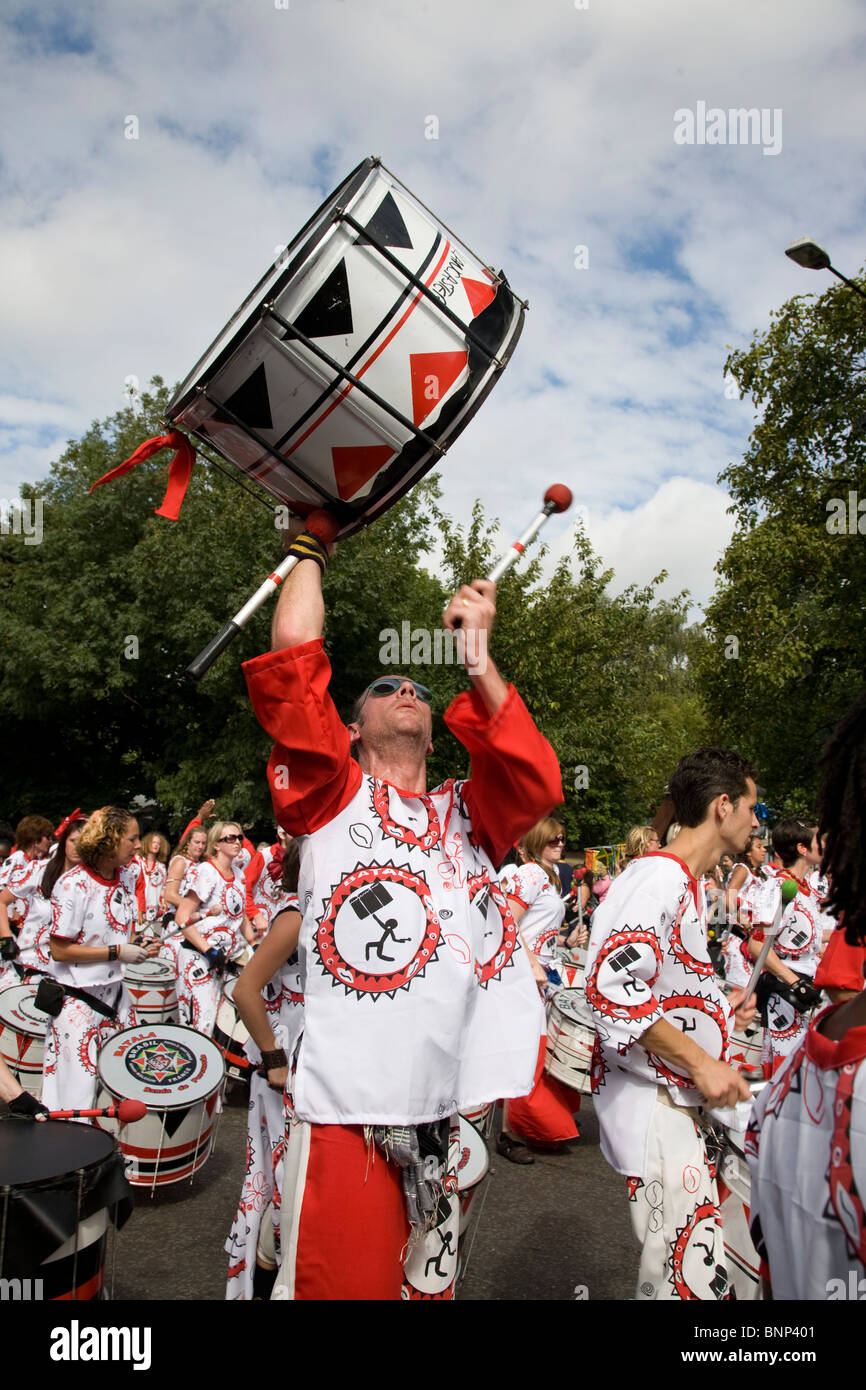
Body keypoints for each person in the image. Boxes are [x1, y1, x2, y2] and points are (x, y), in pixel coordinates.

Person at [241, 520, 562, 1301]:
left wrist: (479, 660)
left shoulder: (468, 812)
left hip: (449, 1115)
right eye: (385, 687)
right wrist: (311, 543)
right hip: (351, 1110)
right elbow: (293, 664)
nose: (407, 690)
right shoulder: (331, 797)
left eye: (415, 685)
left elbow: (538, 781)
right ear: (350, 730)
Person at [585, 747, 758, 1301]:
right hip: (656, 1107)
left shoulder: (678, 880)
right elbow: (611, 988)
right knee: (683, 1285)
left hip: (673, 1104)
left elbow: (656, 984)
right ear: (723, 806)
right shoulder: (659, 877)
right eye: (754, 808)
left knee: (693, 1276)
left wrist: (717, 1008)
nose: (758, 823)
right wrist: (703, 1061)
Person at [746, 691, 866, 1298]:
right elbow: (753, 941)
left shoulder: (812, 892)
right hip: (796, 1011)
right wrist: (789, 979)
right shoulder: (778, 889)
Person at [42, 807, 156, 1119]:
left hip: (117, 997)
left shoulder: (130, 874)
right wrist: (117, 953)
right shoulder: (72, 884)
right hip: (78, 1004)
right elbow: (60, 950)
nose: (138, 845)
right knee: (76, 1095)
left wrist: (138, 946)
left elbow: (117, 929)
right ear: (110, 840)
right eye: (132, 838)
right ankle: (69, 1161)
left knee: (127, 1081)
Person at [227, 840, 303, 1300]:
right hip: (284, 1071)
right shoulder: (295, 914)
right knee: (280, 1184)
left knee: (288, 1182)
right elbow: (245, 990)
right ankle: (264, 1285)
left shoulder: (321, 909)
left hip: (308, 1067)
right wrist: (274, 1059)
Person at [497, 817, 580, 1161]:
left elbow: (532, 927)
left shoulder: (547, 876)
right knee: (525, 1054)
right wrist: (531, 963)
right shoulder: (530, 874)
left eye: (562, 839)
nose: (560, 844)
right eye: (553, 840)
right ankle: (506, 1134)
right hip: (523, 976)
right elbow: (507, 922)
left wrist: (564, 938)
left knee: (532, 1054)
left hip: (542, 975)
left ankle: (524, 1129)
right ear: (535, 842)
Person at [161, 820, 254, 1037]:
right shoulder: (206, 872)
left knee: (223, 1023)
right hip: (200, 958)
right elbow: (183, 917)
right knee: (202, 1023)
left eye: (239, 837)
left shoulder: (239, 875)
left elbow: (239, 916)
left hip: (226, 961)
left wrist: (254, 943)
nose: (237, 842)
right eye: (229, 838)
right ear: (216, 845)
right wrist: (208, 950)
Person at [748, 818, 825, 1074]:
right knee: (788, 1075)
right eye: (818, 840)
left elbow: (808, 940)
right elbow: (757, 945)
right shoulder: (778, 886)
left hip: (805, 991)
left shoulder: (804, 890)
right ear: (803, 848)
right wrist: (795, 983)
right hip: (787, 995)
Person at [0, 816, 54, 989]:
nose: (50, 841)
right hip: (9, 932)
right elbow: (2, 892)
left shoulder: (35, 863)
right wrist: (11, 923)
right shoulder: (16, 860)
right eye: (48, 837)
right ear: (36, 839)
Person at [133, 831, 169, 936]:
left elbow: (163, 888)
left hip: (153, 911)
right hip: (136, 907)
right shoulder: (136, 861)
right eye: (153, 842)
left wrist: (163, 903)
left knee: (150, 940)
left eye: (158, 843)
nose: (156, 845)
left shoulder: (161, 867)